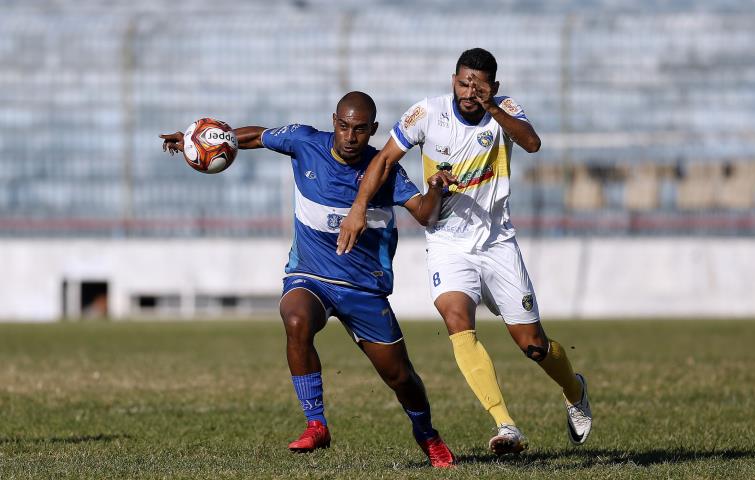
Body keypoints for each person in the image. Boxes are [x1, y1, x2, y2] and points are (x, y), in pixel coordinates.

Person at [159, 92, 457, 468]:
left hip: (363, 287)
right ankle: (316, 423)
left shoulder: (386, 170)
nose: (350, 136)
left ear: (373, 130)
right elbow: (251, 137)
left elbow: (426, 215)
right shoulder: (304, 142)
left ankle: (428, 435)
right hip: (310, 276)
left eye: (360, 130)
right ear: (334, 121)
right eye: (344, 126)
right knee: (296, 319)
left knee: (400, 377)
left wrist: (435, 189)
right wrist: (199, 140)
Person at [336, 49, 592, 455]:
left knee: (533, 345)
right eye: (462, 83)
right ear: (452, 79)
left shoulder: (503, 110)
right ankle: (506, 425)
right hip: (447, 243)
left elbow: (533, 143)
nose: (469, 92)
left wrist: (493, 105)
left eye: (478, 85)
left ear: (493, 86)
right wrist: (358, 207)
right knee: (457, 320)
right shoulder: (427, 114)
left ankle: (574, 390)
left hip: (497, 243)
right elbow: (384, 161)